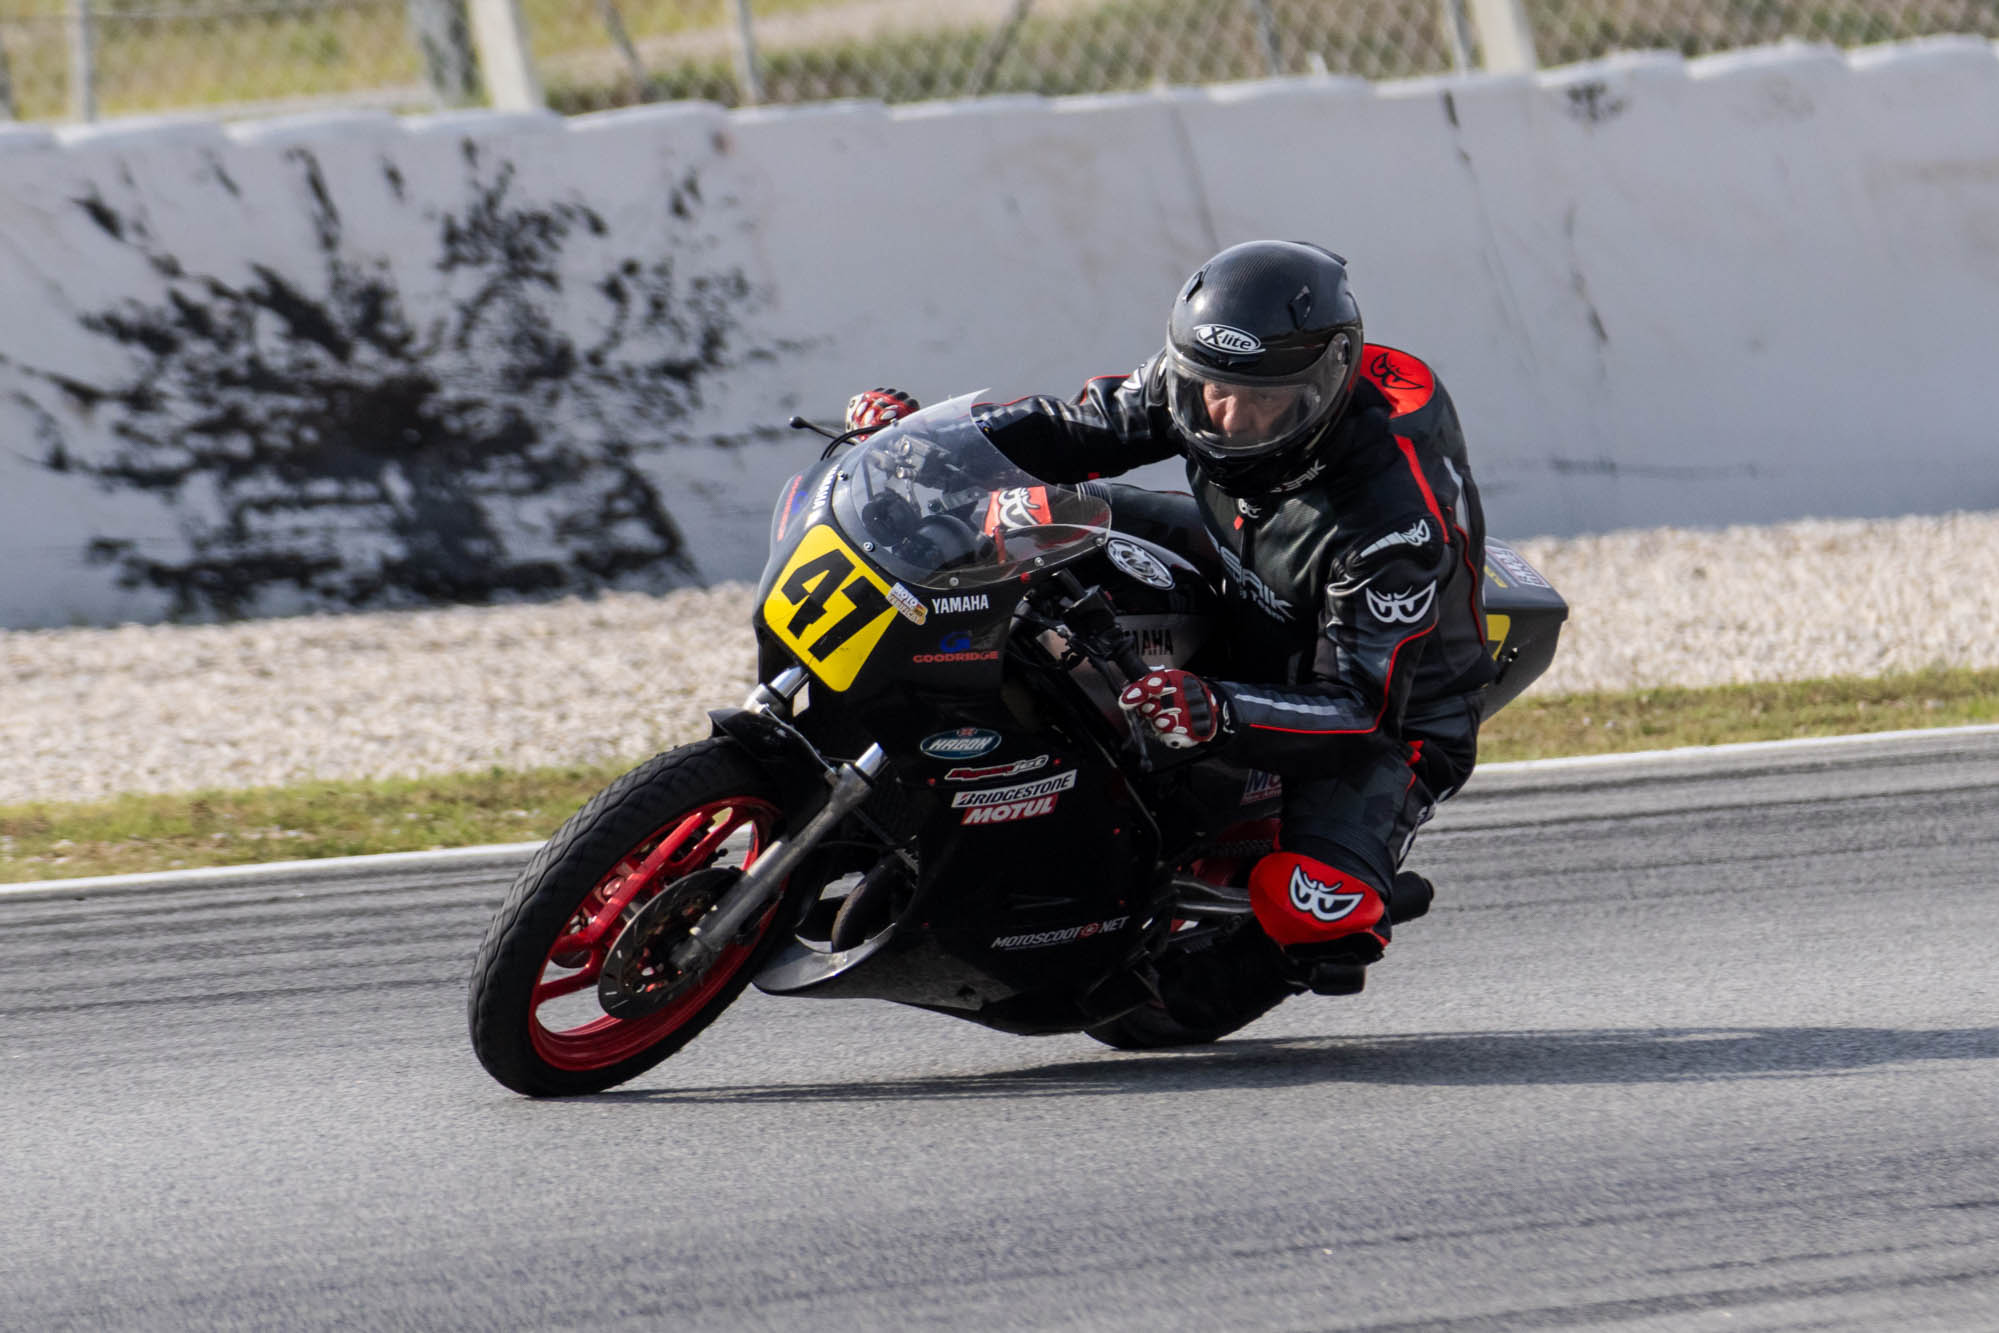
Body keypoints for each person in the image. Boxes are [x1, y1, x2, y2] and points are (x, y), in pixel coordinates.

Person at [845, 239, 1494, 1019]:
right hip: (1246, 567)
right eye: (1212, 390)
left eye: (1266, 402)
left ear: (1323, 389)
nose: (1229, 419)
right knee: (1033, 515)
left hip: (1392, 706)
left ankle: (1319, 906)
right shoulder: (1205, 377)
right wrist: (928, 448)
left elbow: (1362, 707)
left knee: (1309, 912)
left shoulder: (1390, 522)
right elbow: (1079, 428)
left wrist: (1218, 708)